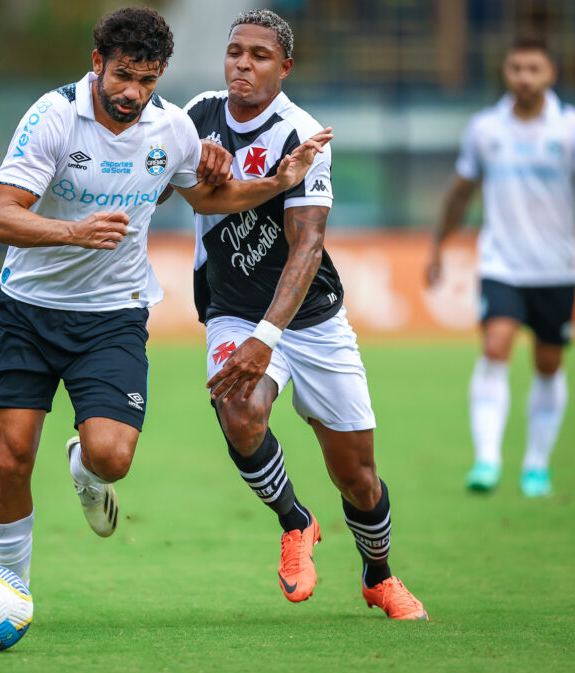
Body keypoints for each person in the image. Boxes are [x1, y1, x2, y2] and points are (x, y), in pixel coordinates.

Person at [0, 7, 330, 587]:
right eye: (123, 77)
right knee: (11, 457)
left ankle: (85, 470)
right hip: (28, 311)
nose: (132, 93)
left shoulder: (171, 127)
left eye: (147, 80)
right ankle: (11, 586)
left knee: (111, 457)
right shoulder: (52, 116)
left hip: (113, 315)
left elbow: (204, 197)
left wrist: (276, 183)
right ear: (98, 64)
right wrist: (73, 231)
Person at [178, 10, 427, 619]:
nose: (242, 63)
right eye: (235, 51)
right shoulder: (195, 116)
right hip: (232, 307)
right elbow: (157, 184)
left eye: (259, 55)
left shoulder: (302, 134)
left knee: (358, 477)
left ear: (284, 68)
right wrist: (194, 164)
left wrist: (269, 336)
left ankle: (379, 576)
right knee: (238, 411)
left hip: (310, 320)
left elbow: (308, 245)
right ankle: (296, 522)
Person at [428, 36, 575, 498]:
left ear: (551, 74)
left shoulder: (569, 130)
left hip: (557, 268)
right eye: (516, 68)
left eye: (534, 69)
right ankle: (487, 460)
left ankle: (535, 466)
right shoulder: (485, 129)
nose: (524, 78)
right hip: (503, 263)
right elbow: (460, 192)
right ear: (505, 73)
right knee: (496, 346)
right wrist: (437, 245)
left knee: (549, 364)